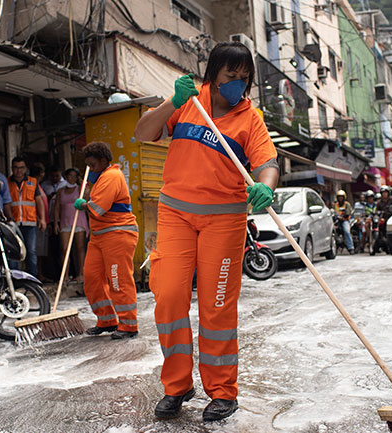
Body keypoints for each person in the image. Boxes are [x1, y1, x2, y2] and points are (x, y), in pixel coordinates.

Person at [134, 41, 279, 422]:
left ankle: (222, 391)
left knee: (216, 306)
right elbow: (142, 132)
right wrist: (170, 102)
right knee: (168, 298)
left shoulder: (250, 117)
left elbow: (267, 162)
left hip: (224, 221)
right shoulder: (189, 102)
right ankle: (178, 385)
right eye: (231, 76)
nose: (237, 85)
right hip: (177, 215)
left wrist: (266, 185)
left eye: (244, 79)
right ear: (213, 73)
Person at [73, 142, 140, 340]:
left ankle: (129, 324)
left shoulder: (111, 176)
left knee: (118, 280)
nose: (90, 169)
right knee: (92, 278)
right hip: (100, 235)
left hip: (118, 234)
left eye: (93, 165)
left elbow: (98, 209)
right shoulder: (102, 178)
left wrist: (84, 204)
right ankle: (107, 320)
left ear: (103, 161)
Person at [7, 156, 46, 277]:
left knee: (31, 252)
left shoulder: (32, 182)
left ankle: (32, 280)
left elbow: (39, 201)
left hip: (29, 223)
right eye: (16, 168)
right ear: (12, 168)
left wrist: (43, 219)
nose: (19, 171)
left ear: (25, 169)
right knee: (14, 252)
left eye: (21, 168)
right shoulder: (7, 182)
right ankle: (14, 281)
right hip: (12, 223)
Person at [55, 168, 89, 283]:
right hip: (65, 221)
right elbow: (57, 207)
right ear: (66, 177)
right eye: (70, 176)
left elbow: (87, 200)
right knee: (64, 249)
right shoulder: (60, 191)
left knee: (80, 248)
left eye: (75, 176)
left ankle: (82, 274)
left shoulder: (80, 189)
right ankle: (65, 275)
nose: (72, 178)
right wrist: (56, 223)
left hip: (79, 221)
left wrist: (86, 191)